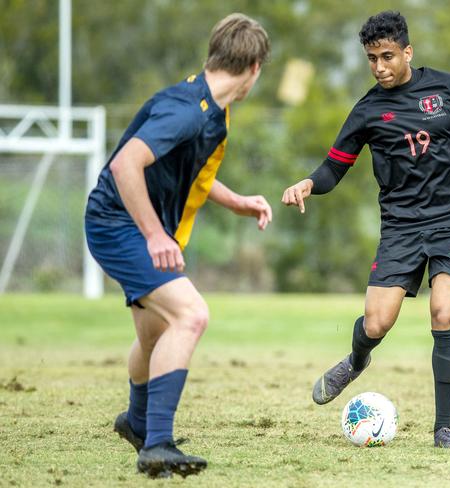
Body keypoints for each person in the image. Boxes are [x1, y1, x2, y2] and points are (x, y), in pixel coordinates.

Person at [282, 10, 450, 449]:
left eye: (387, 56)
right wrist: (308, 182)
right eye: (371, 58)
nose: (379, 67)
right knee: (378, 323)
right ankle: (357, 360)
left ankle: (443, 430)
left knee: (444, 312)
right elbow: (332, 169)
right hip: (400, 227)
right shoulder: (367, 110)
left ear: (407, 52)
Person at [84, 13, 271, 477]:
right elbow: (127, 165)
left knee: (154, 333)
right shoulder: (187, 109)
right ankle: (158, 444)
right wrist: (153, 234)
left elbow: (195, 174)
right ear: (255, 68)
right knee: (191, 315)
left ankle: (137, 423)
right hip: (118, 224)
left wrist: (238, 202)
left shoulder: (210, 108)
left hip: (129, 224)